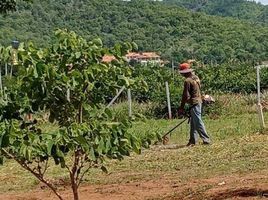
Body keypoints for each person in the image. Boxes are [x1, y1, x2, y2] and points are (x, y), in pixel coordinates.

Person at [178, 62, 211, 146]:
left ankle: (206, 140)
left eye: (182, 73)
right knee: (194, 122)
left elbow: (185, 95)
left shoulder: (187, 81)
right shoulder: (196, 78)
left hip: (194, 103)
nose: (182, 75)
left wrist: (181, 107)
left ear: (185, 72)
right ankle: (192, 141)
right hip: (199, 101)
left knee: (198, 121)